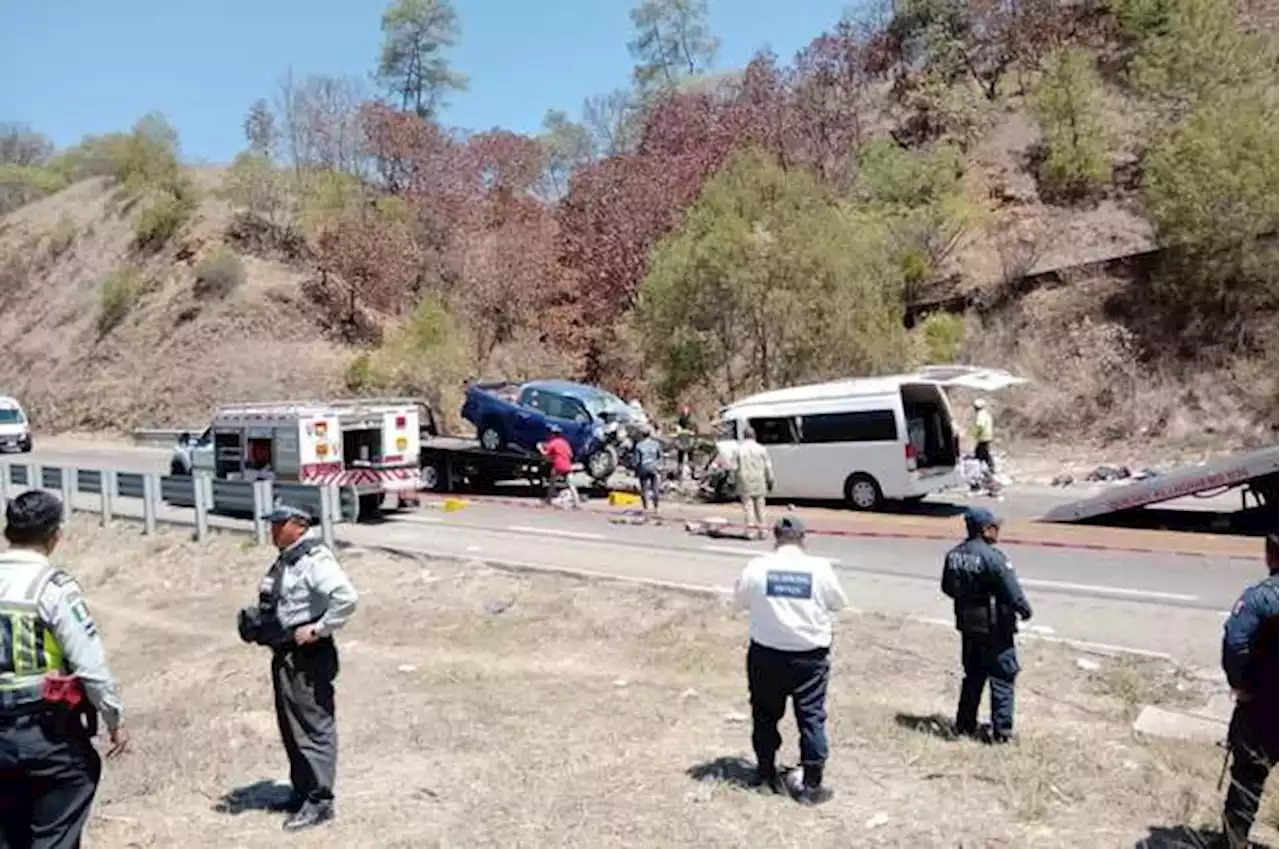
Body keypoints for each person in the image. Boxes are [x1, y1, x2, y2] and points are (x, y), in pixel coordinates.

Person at [0, 490, 128, 848]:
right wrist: (114, 720)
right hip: (44, 735)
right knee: (68, 793)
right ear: (54, 535)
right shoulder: (52, 587)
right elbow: (91, 665)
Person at [254, 503, 359, 832]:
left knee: (314, 728)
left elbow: (346, 597)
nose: (272, 530)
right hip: (286, 654)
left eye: (278, 524)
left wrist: (318, 629)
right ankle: (302, 791)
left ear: (299, 525)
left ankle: (320, 801)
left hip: (308, 656)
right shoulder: (291, 557)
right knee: (292, 727)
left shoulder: (315, 559)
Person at [733, 516, 848, 805]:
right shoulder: (819, 568)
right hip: (809, 657)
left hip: (766, 654)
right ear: (802, 538)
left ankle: (765, 774)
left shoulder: (757, 567)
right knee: (810, 717)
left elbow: (739, 602)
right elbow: (838, 603)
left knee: (765, 715)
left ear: (775, 537)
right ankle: (811, 786)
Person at [941, 506, 1032, 743]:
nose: (998, 530)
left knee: (972, 675)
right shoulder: (994, 558)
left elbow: (947, 588)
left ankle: (964, 725)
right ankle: (1002, 733)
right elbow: (1014, 594)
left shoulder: (953, 555)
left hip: (968, 626)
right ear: (984, 529)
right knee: (1002, 677)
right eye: (994, 526)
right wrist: (1025, 611)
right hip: (995, 628)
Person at [1218, 530, 1280, 848]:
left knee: (1248, 777)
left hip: (1264, 705)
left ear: (1270, 555)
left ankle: (1234, 842)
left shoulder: (1260, 597)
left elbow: (1235, 642)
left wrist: (1242, 684)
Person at [735, 426, 775, 539]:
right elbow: (768, 466)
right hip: (759, 479)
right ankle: (763, 531)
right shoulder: (761, 448)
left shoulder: (739, 449)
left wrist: (736, 481)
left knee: (748, 508)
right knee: (761, 507)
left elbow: (735, 467)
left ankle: (750, 532)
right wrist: (770, 479)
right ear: (754, 435)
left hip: (745, 480)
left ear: (744, 436)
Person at [538, 425, 580, 509]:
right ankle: (577, 503)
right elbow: (570, 455)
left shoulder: (552, 443)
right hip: (568, 466)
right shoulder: (565, 442)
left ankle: (548, 500)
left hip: (558, 466)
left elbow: (545, 455)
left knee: (552, 483)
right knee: (571, 485)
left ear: (553, 434)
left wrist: (540, 449)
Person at [633, 425, 663, 517]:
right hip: (654, 467)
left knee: (644, 488)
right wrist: (659, 466)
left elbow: (637, 460)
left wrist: (635, 470)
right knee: (655, 488)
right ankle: (656, 507)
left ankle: (645, 507)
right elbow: (660, 456)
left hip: (643, 467)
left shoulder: (639, 445)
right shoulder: (656, 444)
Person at [972, 399, 996, 475]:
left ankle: (977, 468)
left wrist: (976, 434)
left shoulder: (980, 414)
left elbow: (980, 425)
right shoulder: (986, 413)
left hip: (983, 436)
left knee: (979, 452)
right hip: (988, 436)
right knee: (985, 452)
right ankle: (990, 467)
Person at [675, 405, 697, 481]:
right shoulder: (690, 421)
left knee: (685, 458)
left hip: (684, 440)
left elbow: (678, 431)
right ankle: (685, 474)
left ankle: (688, 473)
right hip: (686, 440)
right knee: (685, 458)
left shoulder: (687, 421)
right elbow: (694, 432)